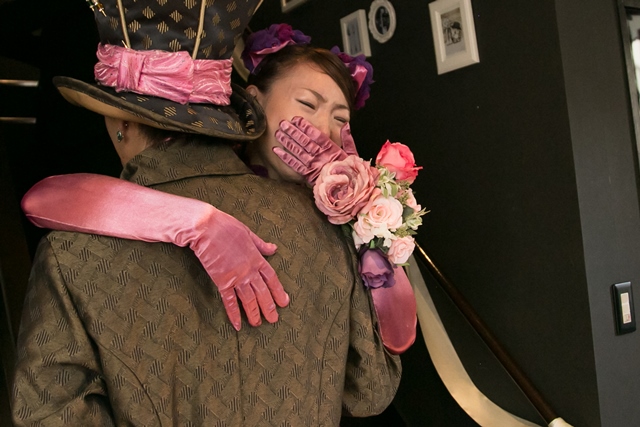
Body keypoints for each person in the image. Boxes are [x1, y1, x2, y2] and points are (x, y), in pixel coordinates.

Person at [11, 2, 405, 426]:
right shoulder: (329, 229)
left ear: (119, 123)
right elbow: (370, 390)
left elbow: (48, 415)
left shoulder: (70, 253)